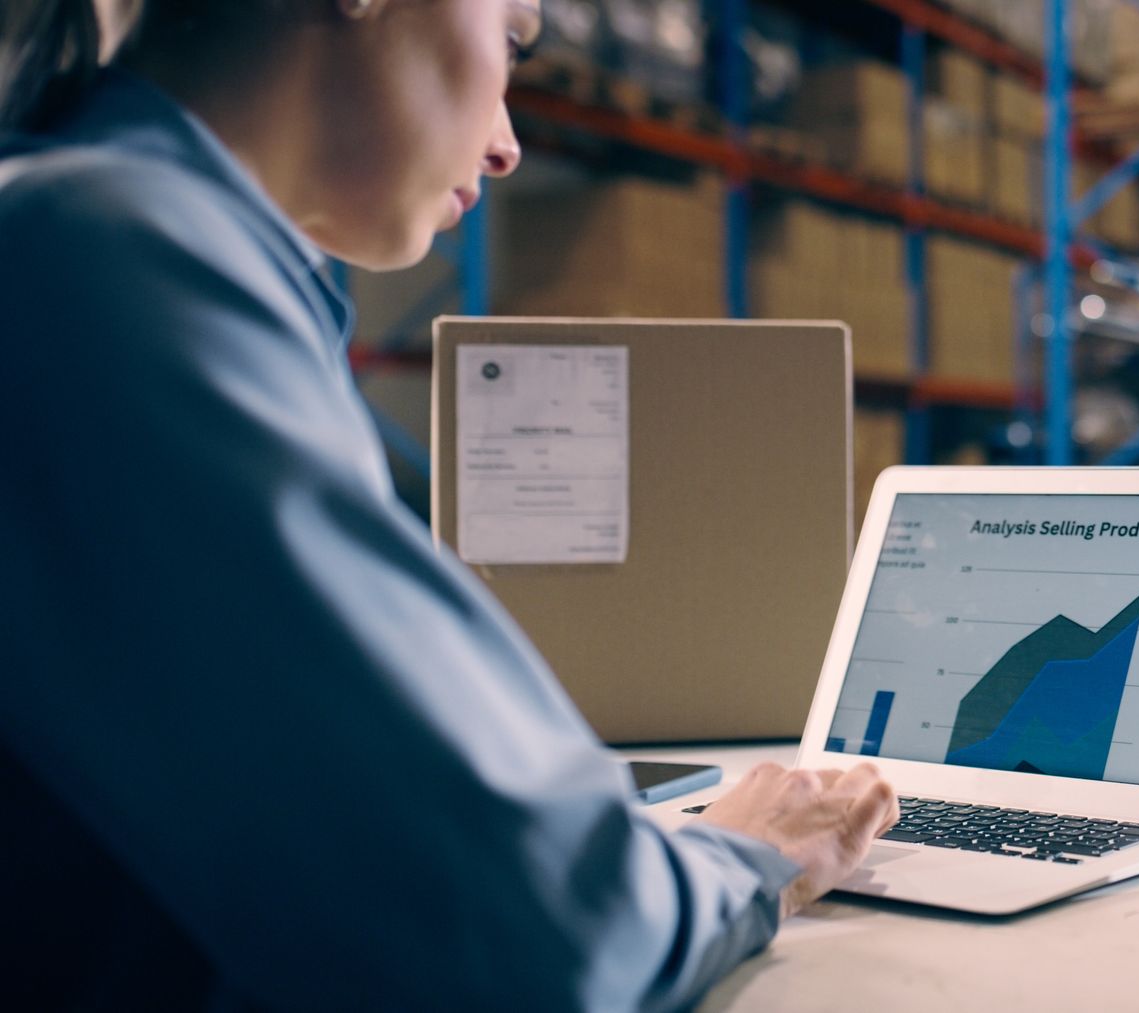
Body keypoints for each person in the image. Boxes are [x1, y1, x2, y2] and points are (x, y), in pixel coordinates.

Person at [0, 1, 897, 1008]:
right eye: (511, 41)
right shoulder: (102, 260)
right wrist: (751, 849)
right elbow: (539, 934)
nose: (510, 144)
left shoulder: (93, 238)